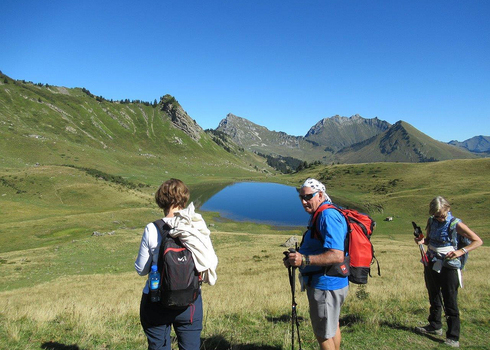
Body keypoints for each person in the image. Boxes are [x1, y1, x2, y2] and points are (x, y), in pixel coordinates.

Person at [135, 178, 218, 350]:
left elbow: (141, 270)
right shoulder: (196, 226)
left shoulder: (152, 228)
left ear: (161, 200)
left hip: (156, 301)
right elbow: (209, 260)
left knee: (158, 346)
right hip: (190, 302)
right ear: (184, 198)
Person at [285, 178, 349, 350]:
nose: (304, 202)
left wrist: (304, 260)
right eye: (301, 197)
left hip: (326, 285)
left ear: (320, 195)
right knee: (331, 326)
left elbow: (336, 255)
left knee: (323, 335)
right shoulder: (320, 214)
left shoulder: (327, 215)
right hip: (328, 283)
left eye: (308, 196)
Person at [414, 196, 482, 348]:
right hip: (431, 261)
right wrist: (421, 241)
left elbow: (478, 240)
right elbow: (430, 240)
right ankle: (435, 325)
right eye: (436, 215)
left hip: (449, 265)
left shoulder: (456, 224)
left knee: (450, 299)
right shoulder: (431, 221)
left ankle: (453, 336)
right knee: (434, 294)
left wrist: (461, 251)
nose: (439, 218)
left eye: (441, 215)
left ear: (447, 209)